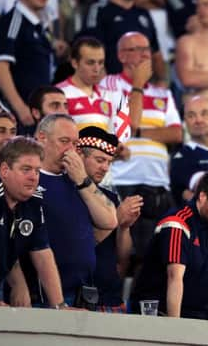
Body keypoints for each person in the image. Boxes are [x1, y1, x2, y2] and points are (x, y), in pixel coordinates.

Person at [99, 32, 182, 264]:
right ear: (121, 55)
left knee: (154, 258)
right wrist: (137, 87)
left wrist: (137, 133)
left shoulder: (162, 94)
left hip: (158, 184)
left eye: (147, 48)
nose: (145, 54)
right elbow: (122, 127)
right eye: (136, 49)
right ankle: (115, 300)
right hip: (123, 178)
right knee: (120, 252)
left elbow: (176, 133)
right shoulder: (109, 85)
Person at [0, 136, 66, 307]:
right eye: (26, 169)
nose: (33, 177)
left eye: (37, 171)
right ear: (4, 170)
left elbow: (43, 255)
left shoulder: (32, 202)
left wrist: (60, 306)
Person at [130, 169, 208, 320]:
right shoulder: (177, 223)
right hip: (157, 314)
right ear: (203, 196)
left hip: (197, 315)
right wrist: (177, 329)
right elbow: (174, 277)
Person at [35, 114, 118, 306]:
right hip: (39, 294)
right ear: (42, 138)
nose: (69, 150)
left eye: (74, 143)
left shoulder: (77, 180)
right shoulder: (30, 177)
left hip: (80, 294)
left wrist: (82, 179)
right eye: (64, 141)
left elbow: (109, 220)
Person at [78, 126, 141, 312]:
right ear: (80, 155)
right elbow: (78, 247)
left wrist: (124, 227)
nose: (105, 168)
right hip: (79, 298)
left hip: (110, 296)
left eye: (108, 162)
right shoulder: (67, 193)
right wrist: (115, 219)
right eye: (99, 160)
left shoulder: (110, 197)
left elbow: (122, 260)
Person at [80, 0, 165, 82]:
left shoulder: (143, 14)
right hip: (112, 87)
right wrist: (105, 88)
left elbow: (156, 54)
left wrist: (161, 82)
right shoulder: (99, 11)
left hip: (143, 88)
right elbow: (91, 51)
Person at [0, 0, 55, 128]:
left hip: (39, 113)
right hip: (22, 115)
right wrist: (20, 108)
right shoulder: (14, 21)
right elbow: (0, 67)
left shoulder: (41, 23)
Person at [57, 36, 149, 140]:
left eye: (100, 63)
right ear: (75, 63)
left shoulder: (110, 95)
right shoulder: (60, 94)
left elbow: (127, 129)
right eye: (90, 63)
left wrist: (119, 148)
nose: (97, 69)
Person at [170, 95, 208, 205]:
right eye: (191, 116)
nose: (199, 120)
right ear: (185, 122)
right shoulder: (180, 157)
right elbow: (204, 188)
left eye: (204, 113)